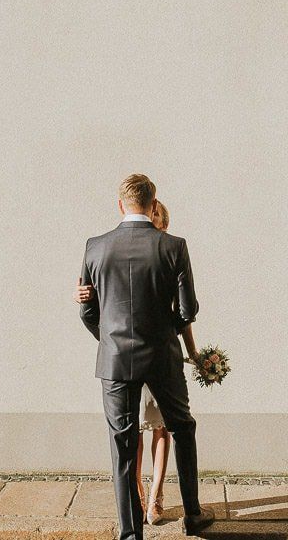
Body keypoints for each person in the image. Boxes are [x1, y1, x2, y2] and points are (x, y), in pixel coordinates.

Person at [78, 174, 214, 540]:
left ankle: (129, 533)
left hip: (115, 360)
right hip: (162, 357)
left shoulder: (95, 247)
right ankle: (193, 515)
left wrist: (110, 340)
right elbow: (186, 311)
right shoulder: (174, 246)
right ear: (154, 205)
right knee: (182, 428)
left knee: (122, 442)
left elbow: (87, 311)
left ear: (120, 205)